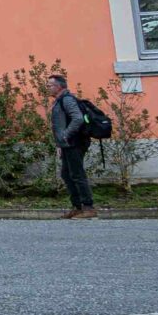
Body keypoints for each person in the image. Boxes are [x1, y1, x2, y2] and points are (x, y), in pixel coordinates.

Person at [48, 72, 97, 219]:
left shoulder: (67, 100)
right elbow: (60, 124)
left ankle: (88, 208)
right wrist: (59, 144)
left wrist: (65, 135)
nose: (47, 88)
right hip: (67, 144)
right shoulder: (59, 100)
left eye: (49, 85)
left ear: (58, 86)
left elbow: (78, 119)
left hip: (75, 142)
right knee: (67, 174)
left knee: (77, 174)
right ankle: (77, 207)